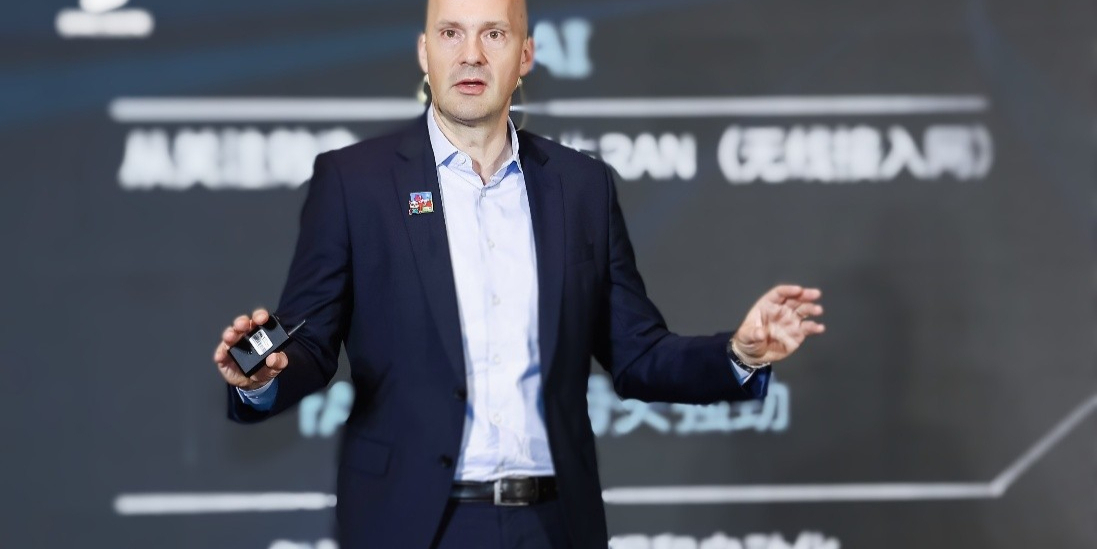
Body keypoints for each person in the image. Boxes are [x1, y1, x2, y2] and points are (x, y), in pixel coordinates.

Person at [212, 0, 824, 546]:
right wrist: (261, 378)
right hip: (411, 523)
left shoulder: (580, 186)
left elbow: (637, 353)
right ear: (424, 52)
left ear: (525, 55)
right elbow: (311, 342)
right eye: (450, 33)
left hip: (553, 524)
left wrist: (739, 354)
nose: (471, 54)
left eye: (494, 34)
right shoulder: (356, 183)